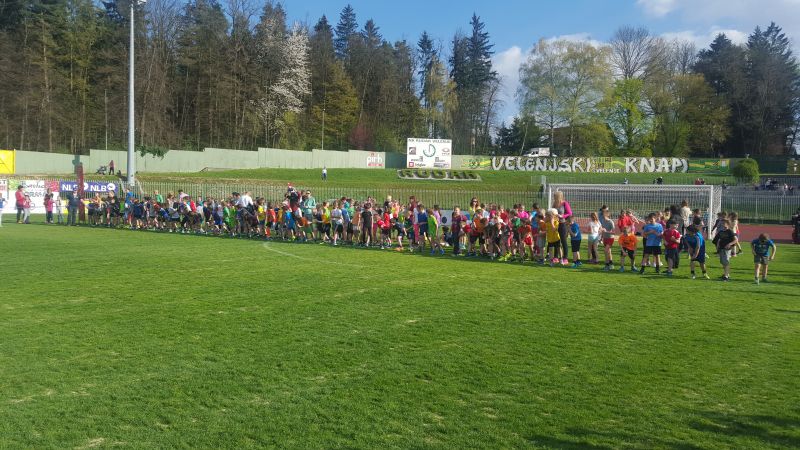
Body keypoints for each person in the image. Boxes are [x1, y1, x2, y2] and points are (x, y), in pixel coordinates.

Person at [551, 191, 572, 266]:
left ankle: (565, 258)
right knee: (556, 240)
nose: (554, 198)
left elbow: (569, 213)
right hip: (556, 224)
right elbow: (552, 212)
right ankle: (556, 257)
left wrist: (562, 216)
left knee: (563, 241)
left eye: (555, 196)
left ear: (559, 196)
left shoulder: (565, 203)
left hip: (563, 224)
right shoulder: (554, 204)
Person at [599, 206, 615, 271]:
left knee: (605, 251)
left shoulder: (611, 222)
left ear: (608, 214)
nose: (604, 214)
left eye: (605, 213)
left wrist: (606, 231)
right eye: (603, 213)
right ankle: (611, 264)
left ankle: (607, 265)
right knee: (608, 252)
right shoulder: (603, 221)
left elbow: (614, 232)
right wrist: (601, 238)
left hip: (610, 238)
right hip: (605, 238)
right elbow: (603, 230)